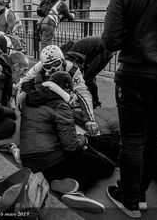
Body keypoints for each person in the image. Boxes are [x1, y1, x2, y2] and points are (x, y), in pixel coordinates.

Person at [102, 0, 157, 218]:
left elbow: (111, 40)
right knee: (153, 138)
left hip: (135, 76)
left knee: (132, 139)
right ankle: (139, 196)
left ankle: (131, 200)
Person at [20, 71, 117, 213]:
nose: (72, 95)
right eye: (71, 91)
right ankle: (77, 191)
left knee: (82, 156)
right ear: (65, 89)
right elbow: (71, 146)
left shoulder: (32, 97)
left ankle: (59, 182)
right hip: (49, 161)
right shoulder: (60, 105)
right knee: (101, 163)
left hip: (29, 161)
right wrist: (83, 139)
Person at [17, 45, 99, 136]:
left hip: (66, 95)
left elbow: (83, 92)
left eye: (56, 64)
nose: (53, 69)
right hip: (49, 94)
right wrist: (23, 93)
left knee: (77, 110)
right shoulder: (39, 66)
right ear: (43, 65)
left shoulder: (72, 69)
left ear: (62, 61)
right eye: (48, 66)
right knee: (26, 98)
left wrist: (90, 119)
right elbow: (25, 81)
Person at [62, 36, 114, 109]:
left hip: (104, 51)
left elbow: (74, 74)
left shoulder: (70, 55)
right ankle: (93, 101)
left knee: (88, 78)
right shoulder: (73, 49)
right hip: (101, 50)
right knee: (90, 77)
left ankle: (95, 102)